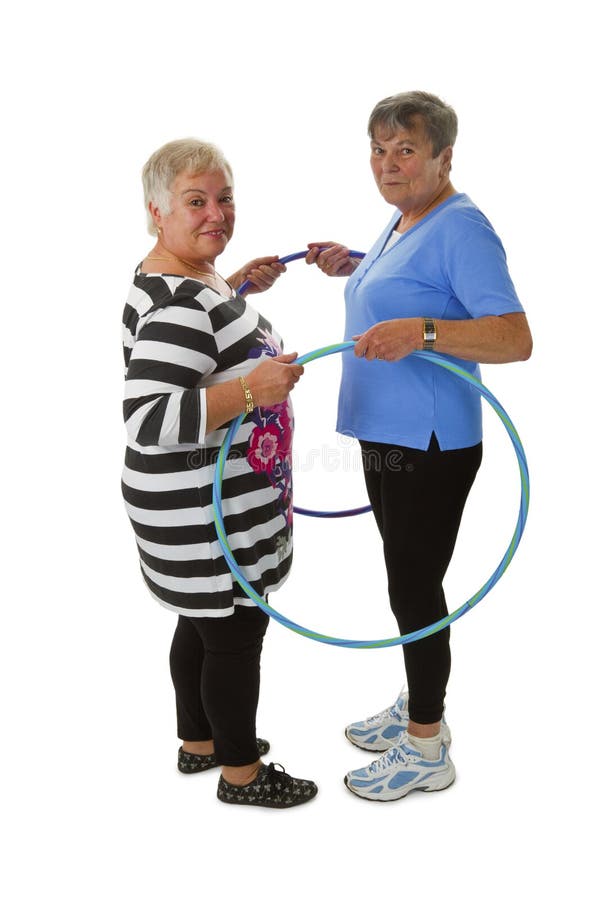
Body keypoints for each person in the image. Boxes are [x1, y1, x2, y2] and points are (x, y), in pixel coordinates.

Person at [306, 91, 532, 802]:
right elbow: (417, 286)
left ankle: (427, 744)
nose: (388, 163)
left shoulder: (463, 227)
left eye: (405, 150)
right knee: (406, 580)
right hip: (387, 434)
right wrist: (355, 266)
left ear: (443, 156)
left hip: (429, 443)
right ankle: (416, 699)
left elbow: (514, 338)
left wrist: (424, 334)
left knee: (414, 588)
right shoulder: (407, 218)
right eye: (378, 149)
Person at [122, 138, 317, 808]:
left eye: (225, 198)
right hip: (205, 522)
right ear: (156, 211)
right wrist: (254, 391)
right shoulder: (180, 304)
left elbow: (200, 345)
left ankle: (200, 742)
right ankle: (240, 773)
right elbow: (147, 419)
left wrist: (235, 289)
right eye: (196, 201)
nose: (217, 213)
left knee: (199, 625)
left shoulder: (183, 280)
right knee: (232, 635)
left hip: (196, 512)